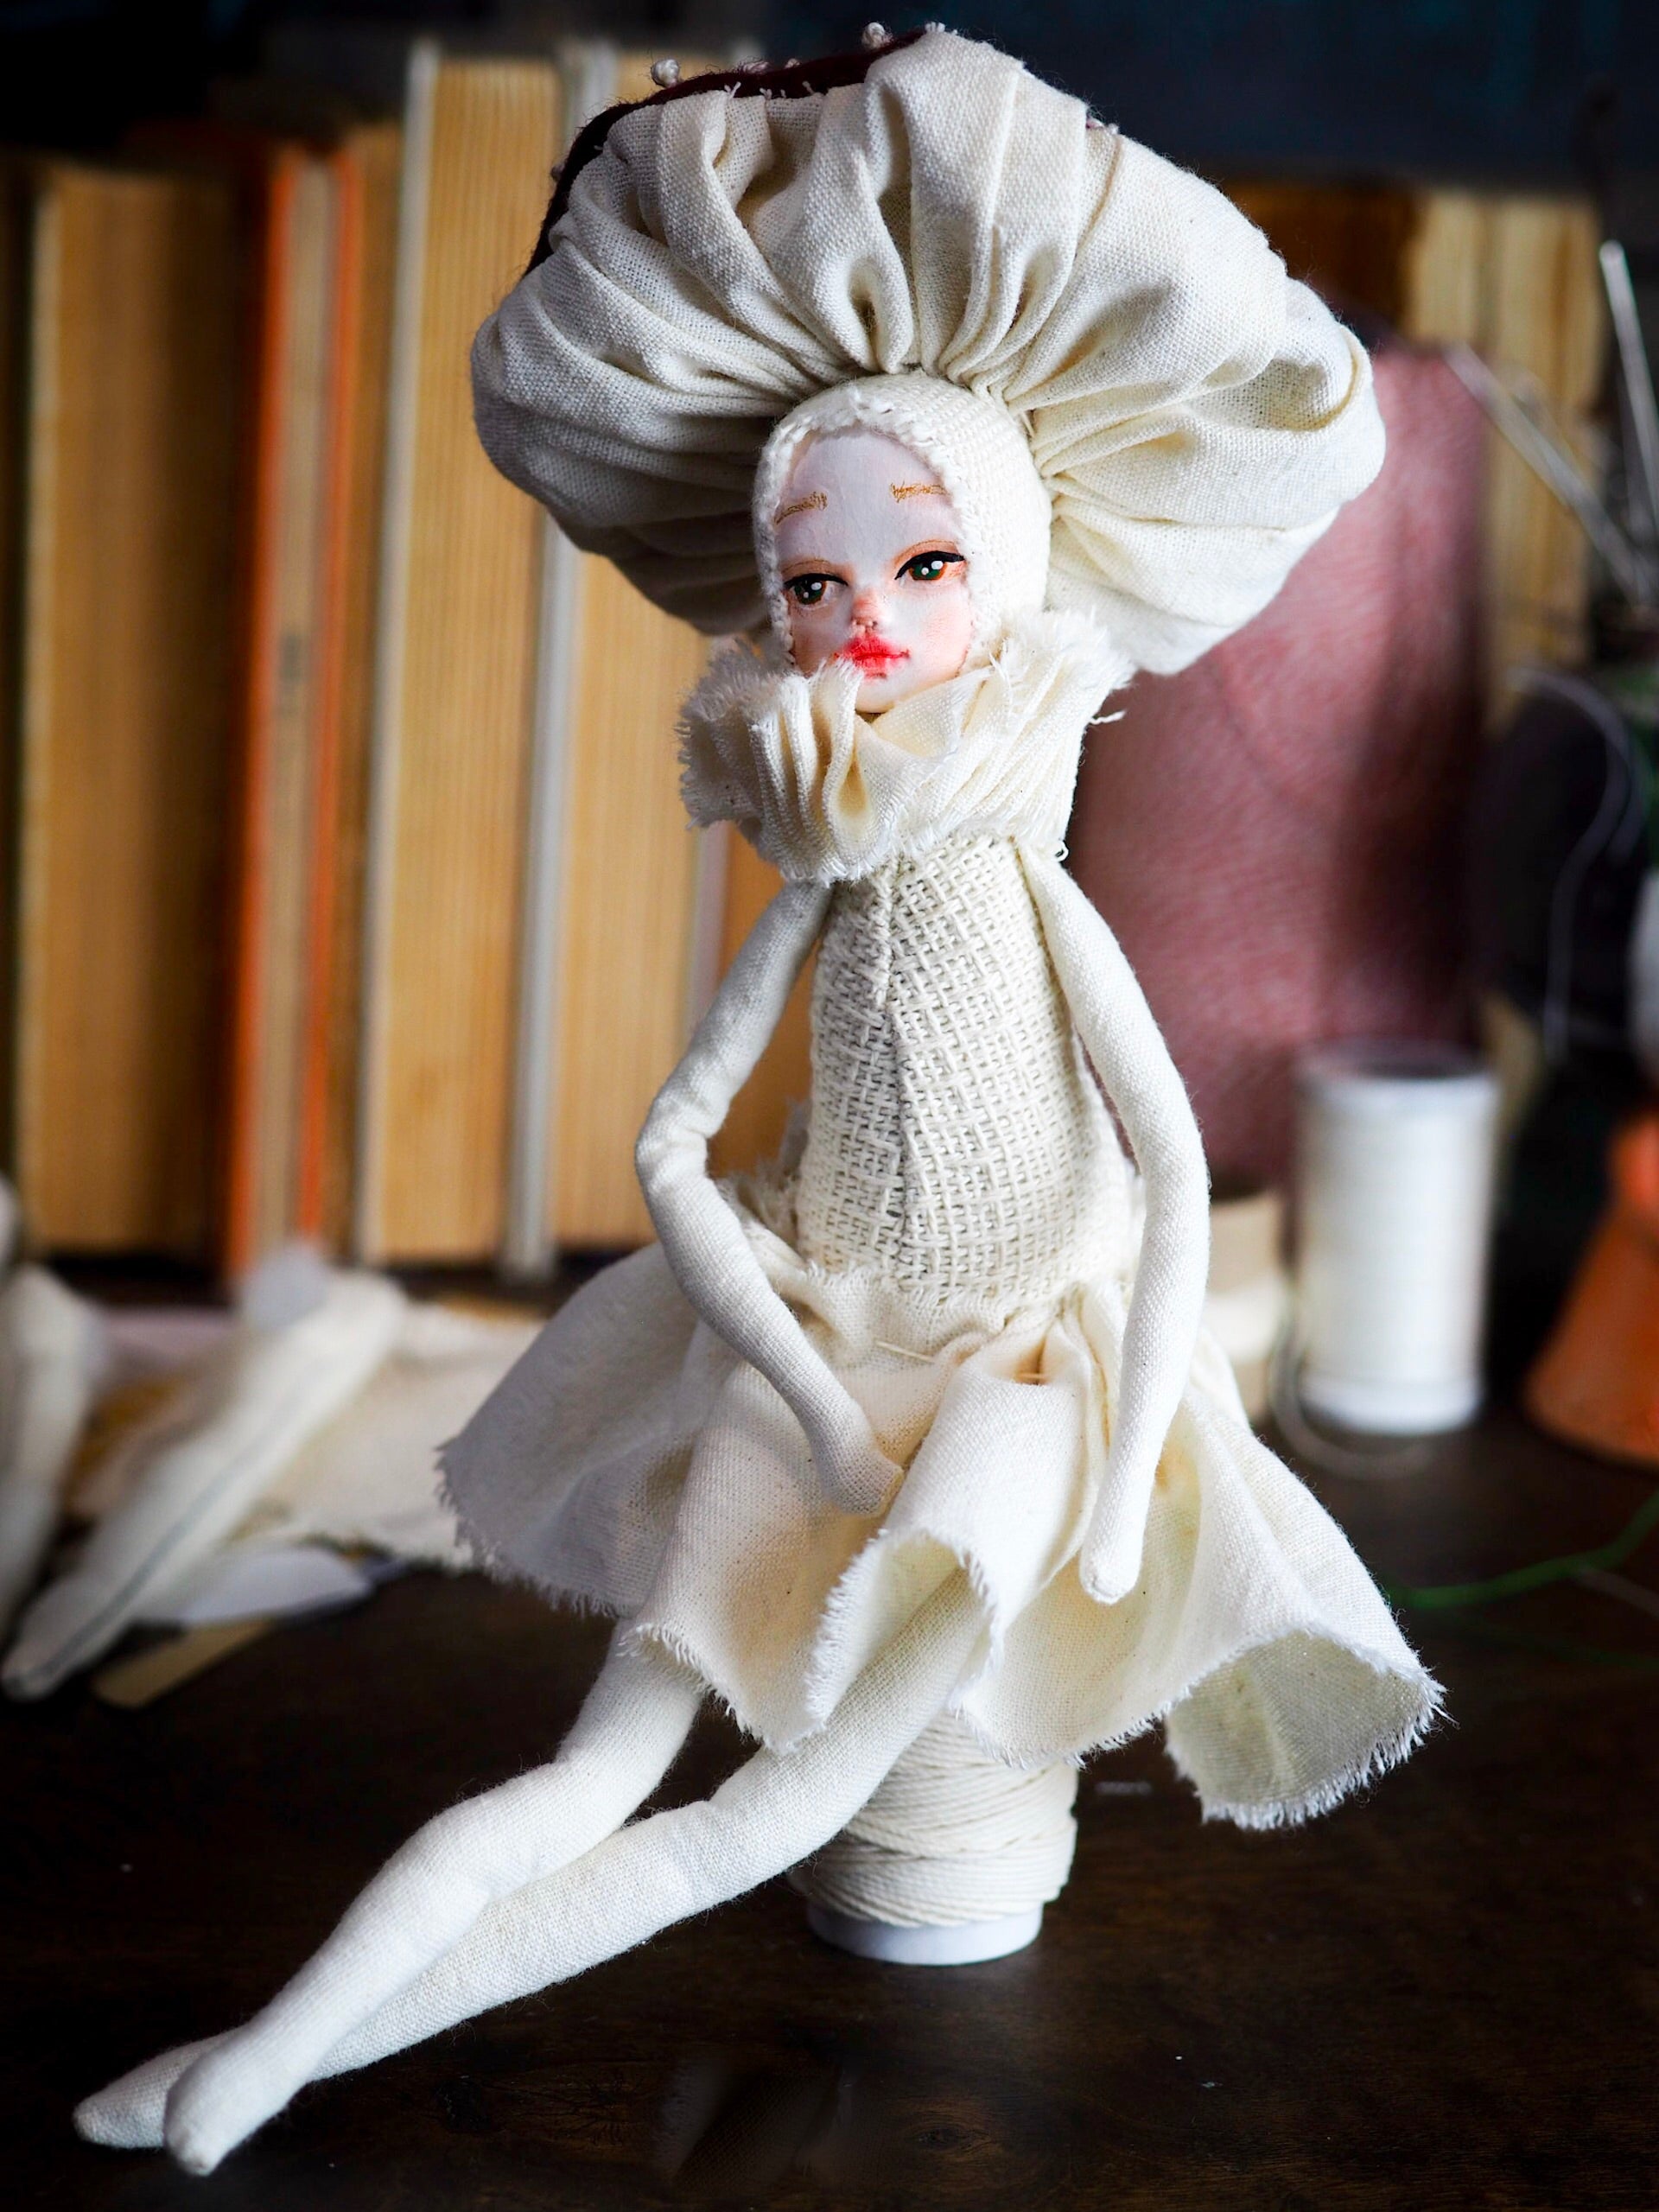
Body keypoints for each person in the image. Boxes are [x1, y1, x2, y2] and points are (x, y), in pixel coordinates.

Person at [77, 31, 1439, 2175]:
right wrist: (796, 1382)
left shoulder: (1027, 881)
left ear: (1013, 572)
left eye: (923, 568)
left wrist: (1111, 1484)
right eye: (816, 583)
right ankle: (256, 2053)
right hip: (821, 1348)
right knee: (587, 1765)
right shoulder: (825, 865)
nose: (864, 622)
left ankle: (265, 2072)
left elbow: (1170, 1175)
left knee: (762, 1809)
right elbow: (670, 1147)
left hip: (1011, 1388)